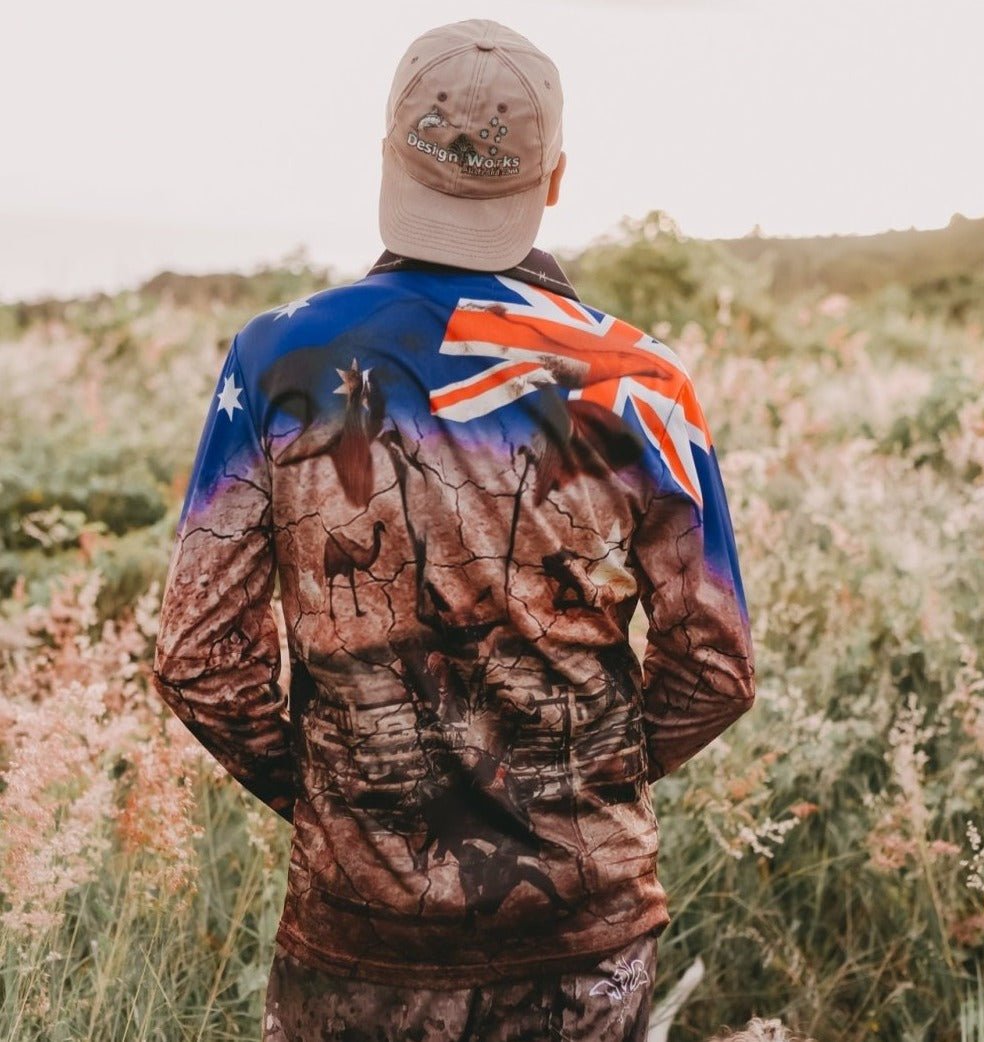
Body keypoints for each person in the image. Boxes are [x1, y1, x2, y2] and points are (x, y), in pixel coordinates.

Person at [152, 17, 756, 1042]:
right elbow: (716, 667)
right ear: (553, 179)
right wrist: (574, 785)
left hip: (360, 935)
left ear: (388, 157)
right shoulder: (642, 380)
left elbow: (199, 658)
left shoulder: (277, 357)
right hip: (583, 939)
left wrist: (343, 805)